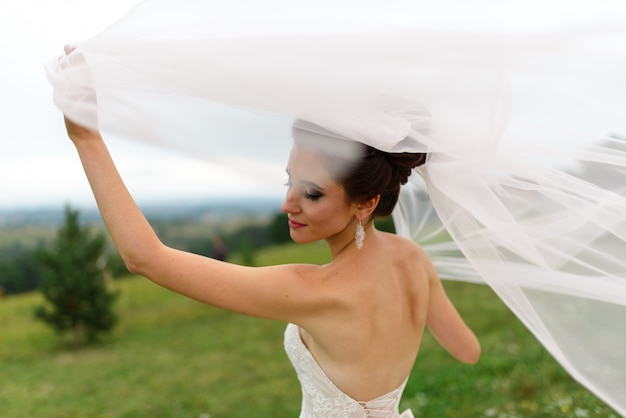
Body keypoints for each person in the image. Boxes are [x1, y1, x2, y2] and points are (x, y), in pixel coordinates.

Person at [63, 114, 479, 417]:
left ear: (366, 203)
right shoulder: (414, 259)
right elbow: (468, 350)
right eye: (289, 182)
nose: (288, 204)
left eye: (312, 193)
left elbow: (145, 258)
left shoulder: (313, 291)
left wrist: (86, 137)